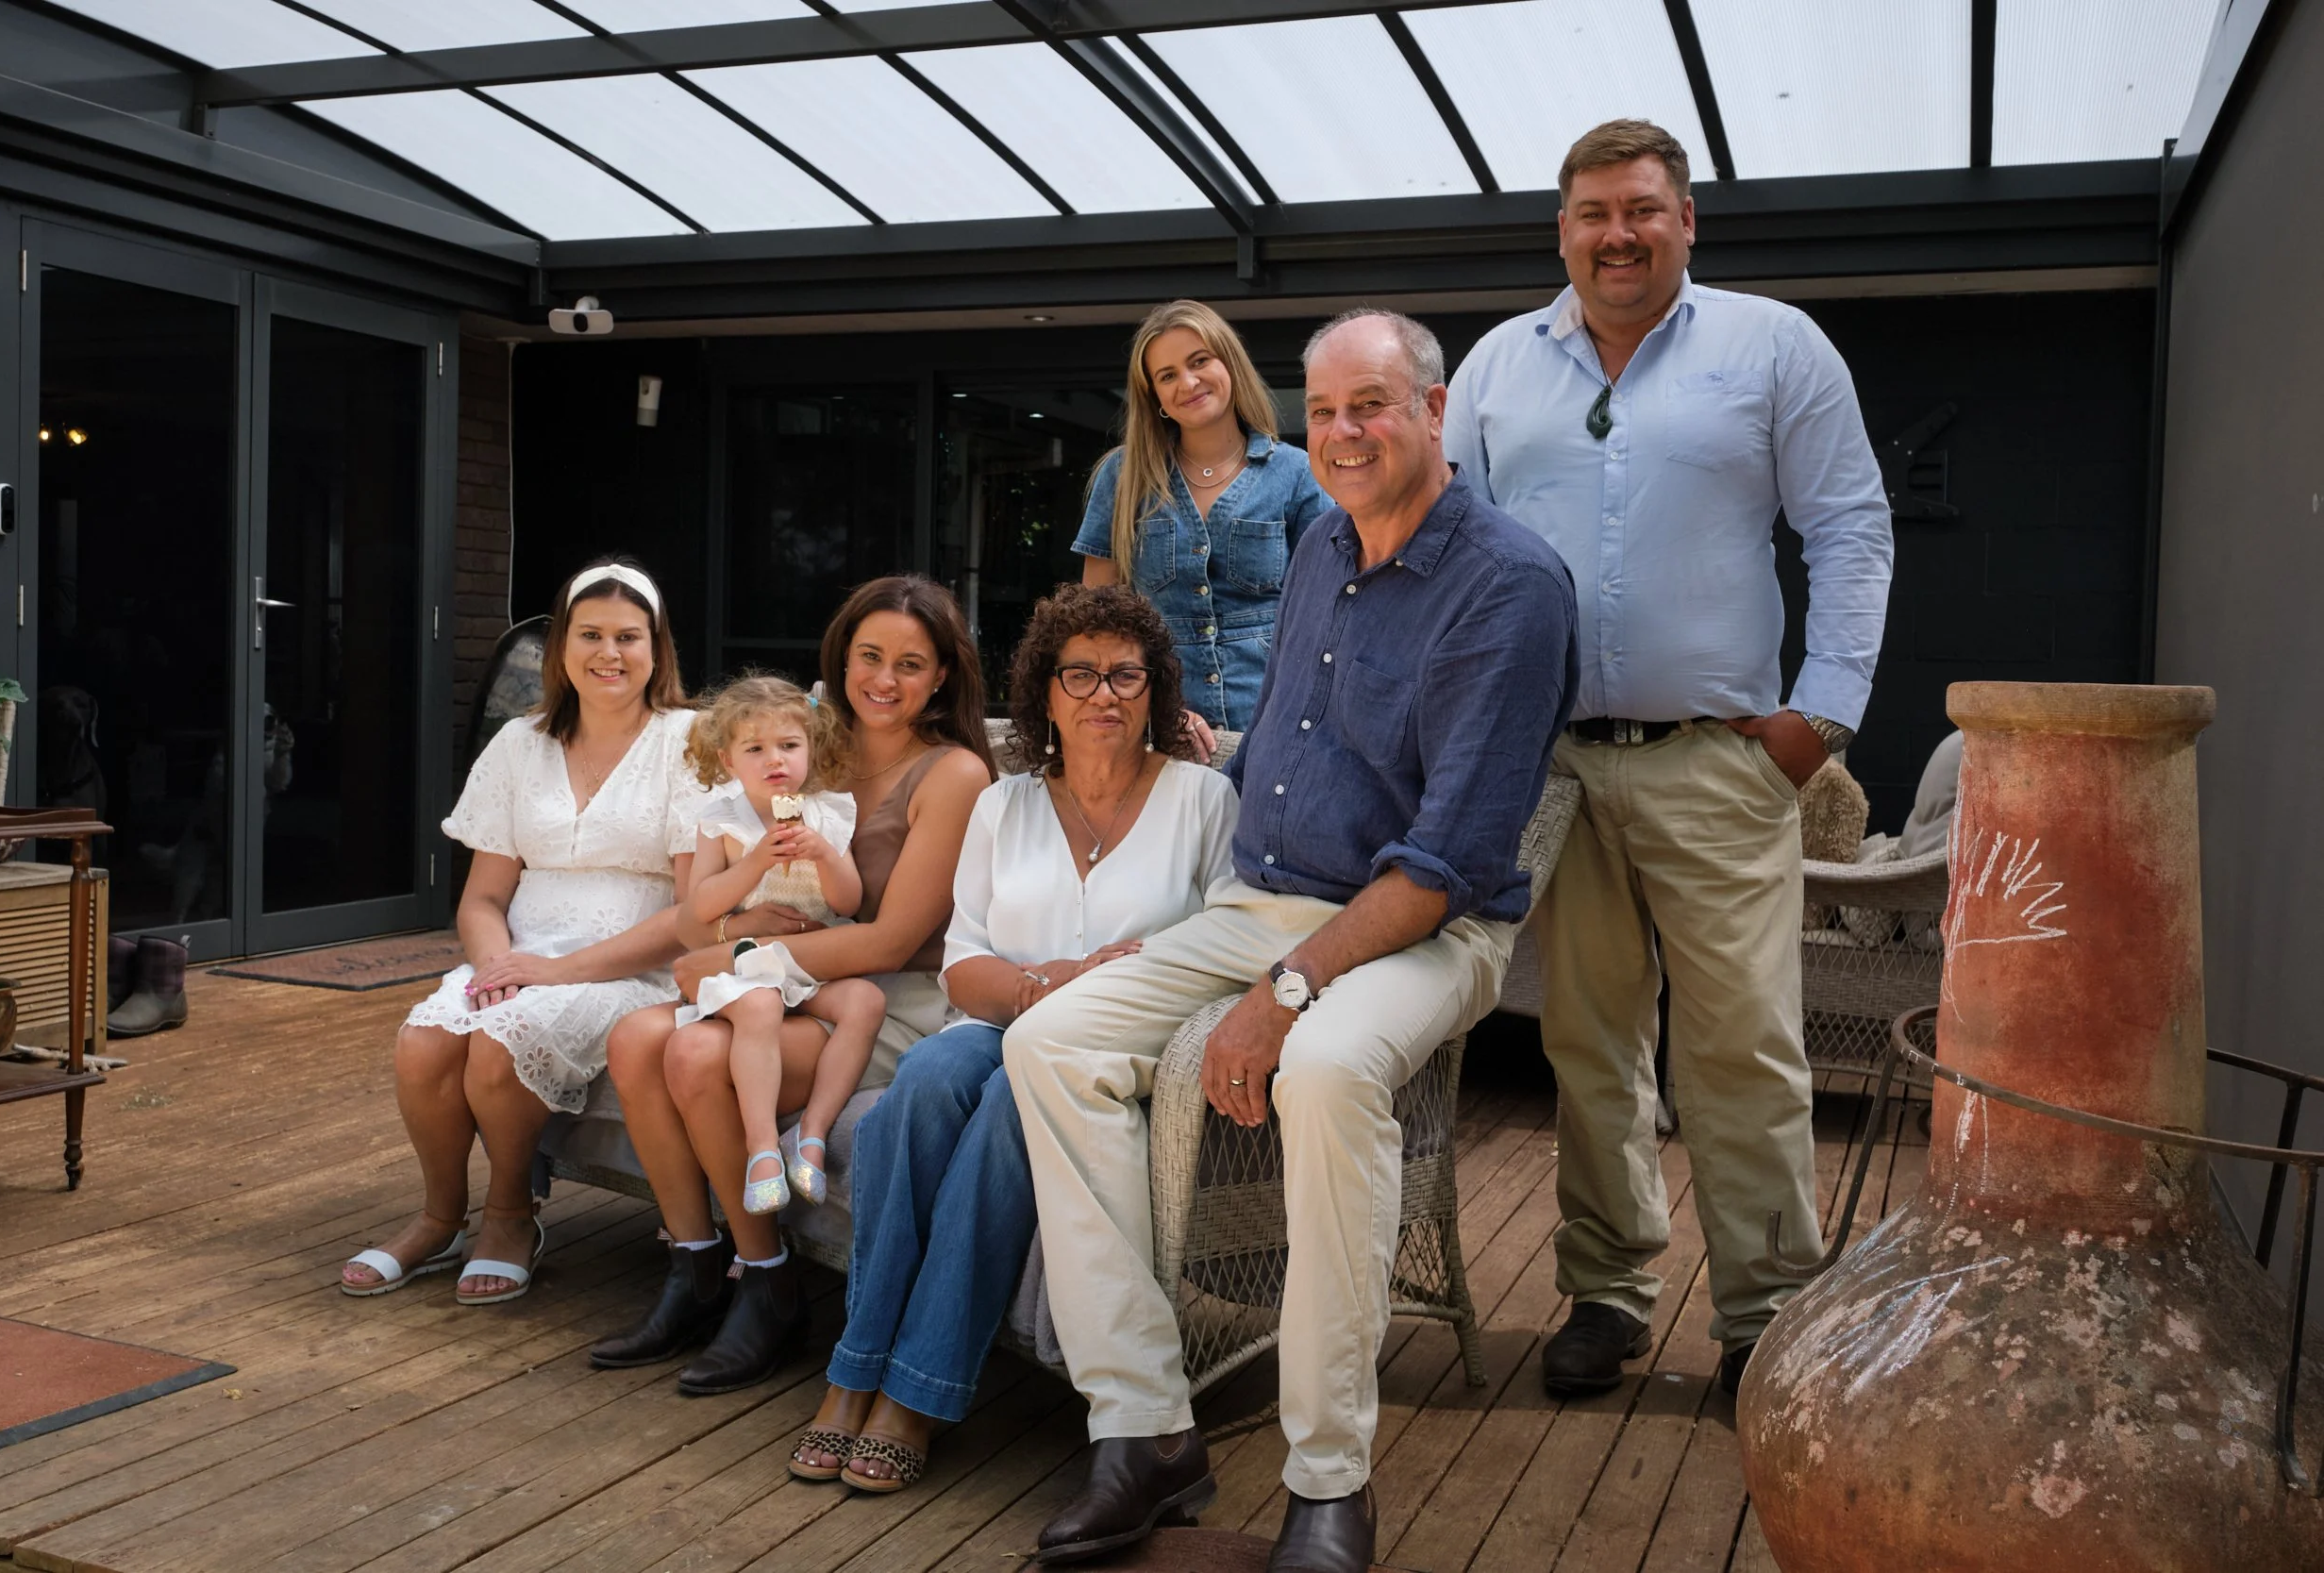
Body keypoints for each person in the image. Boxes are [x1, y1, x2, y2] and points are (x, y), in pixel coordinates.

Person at [1007, 310, 1577, 1573]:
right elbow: (1285, 735)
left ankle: (1330, 1480)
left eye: (1371, 405)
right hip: (1257, 901)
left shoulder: (1510, 585)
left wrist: (1285, 989)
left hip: (1417, 927)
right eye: (1324, 411)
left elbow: (1441, 865)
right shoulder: (1324, 537)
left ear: (1435, 413)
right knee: (1049, 1038)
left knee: (1321, 1069)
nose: (1343, 433)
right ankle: (1147, 1423)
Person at [1445, 118, 1894, 1400]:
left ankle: (1765, 1313)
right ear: (1565, 228)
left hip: (1720, 760)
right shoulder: (1495, 368)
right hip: (1551, 769)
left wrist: (1824, 715)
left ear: (1686, 220)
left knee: (1743, 1045)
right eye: (1593, 211)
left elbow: (1851, 528)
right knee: (1586, 1041)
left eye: (1643, 207)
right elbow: (1459, 554)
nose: (1618, 232)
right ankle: (1607, 1288)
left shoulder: (1770, 346)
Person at [785, 582, 1239, 1494]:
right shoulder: (1007, 805)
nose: (1102, 694)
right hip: (998, 1018)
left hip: (1121, 1050)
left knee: (1003, 1107)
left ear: (1155, 688)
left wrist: (1095, 994)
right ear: (1044, 690)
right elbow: (962, 961)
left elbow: (1220, 944)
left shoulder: (1202, 797)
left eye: (1124, 674)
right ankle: (855, 1365)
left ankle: (911, 1393)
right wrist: (1055, 983)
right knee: (916, 1091)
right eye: (1079, 674)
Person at [588, 577, 994, 1397]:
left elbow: (893, 937)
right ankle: (695, 1262)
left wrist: (738, 958)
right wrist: (738, 945)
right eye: (869, 655)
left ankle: (767, 1278)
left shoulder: (951, 774)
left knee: (698, 1054)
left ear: (944, 675)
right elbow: (705, 912)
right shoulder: (798, 743)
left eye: (911, 664)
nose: (884, 678)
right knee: (633, 1038)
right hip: (774, 976)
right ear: (842, 655)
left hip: (880, 998)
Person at [342, 559, 704, 1304]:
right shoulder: (519, 742)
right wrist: (498, 965)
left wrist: (554, 974)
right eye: (590, 633)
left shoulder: (690, 744)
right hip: (520, 957)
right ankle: (441, 1216)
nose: (609, 652)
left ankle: (510, 1213)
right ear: (560, 646)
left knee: (499, 1044)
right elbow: (482, 896)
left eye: (629, 636)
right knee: (422, 1042)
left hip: (634, 969)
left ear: (657, 648)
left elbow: (693, 914)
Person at [673, 673, 887, 1214]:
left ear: (810, 749)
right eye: (756, 748)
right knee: (762, 1005)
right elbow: (700, 906)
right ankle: (762, 1147)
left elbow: (846, 902)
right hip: (749, 969)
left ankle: (811, 1134)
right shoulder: (722, 820)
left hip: (811, 963)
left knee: (867, 1001)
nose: (776, 760)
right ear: (728, 761)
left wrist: (825, 855)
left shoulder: (829, 811)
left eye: (790, 745)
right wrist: (754, 861)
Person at [1075, 299, 1330, 735]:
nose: (1188, 382)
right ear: (1154, 396)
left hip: (1275, 720)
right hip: (1158, 723)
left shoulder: (1297, 473)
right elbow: (1096, 619)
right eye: (1167, 375)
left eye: (1199, 361)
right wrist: (1157, 710)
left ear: (1228, 363)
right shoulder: (1122, 476)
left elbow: (1325, 610)